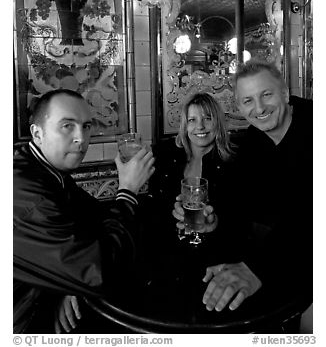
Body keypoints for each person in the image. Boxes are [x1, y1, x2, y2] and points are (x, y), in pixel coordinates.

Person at [13, 89, 155, 333]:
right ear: (37, 133)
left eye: (86, 126)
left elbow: (91, 222)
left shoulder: (45, 171)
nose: (81, 138)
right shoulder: (27, 192)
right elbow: (104, 271)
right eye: (67, 125)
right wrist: (128, 190)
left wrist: (69, 281)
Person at [198, 60, 312, 313]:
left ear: (284, 93)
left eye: (266, 95)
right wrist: (215, 221)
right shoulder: (252, 142)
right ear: (239, 106)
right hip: (286, 264)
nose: (259, 108)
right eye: (248, 100)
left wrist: (257, 267)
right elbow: (243, 208)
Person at [149, 92, 245, 258]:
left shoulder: (235, 162)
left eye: (207, 119)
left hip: (217, 254)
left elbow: (242, 217)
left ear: (218, 123)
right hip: (171, 253)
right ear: (185, 125)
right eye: (192, 120)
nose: (200, 127)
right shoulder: (165, 157)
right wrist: (173, 211)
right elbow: (153, 209)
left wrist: (216, 221)